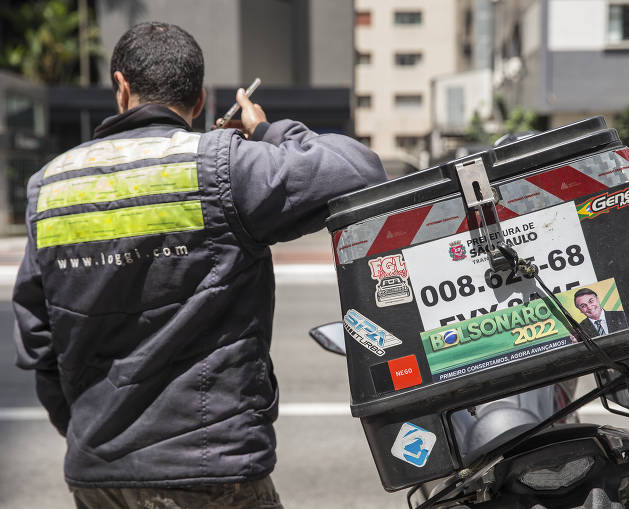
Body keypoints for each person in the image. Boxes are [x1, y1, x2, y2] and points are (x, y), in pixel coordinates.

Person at [12, 22, 386, 509]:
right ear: (201, 99)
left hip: (98, 477)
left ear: (121, 87)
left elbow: (39, 342)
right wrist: (266, 131)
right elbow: (359, 169)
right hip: (212, 471)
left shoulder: (50, 185)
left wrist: (89, 433)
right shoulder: (221, 167)